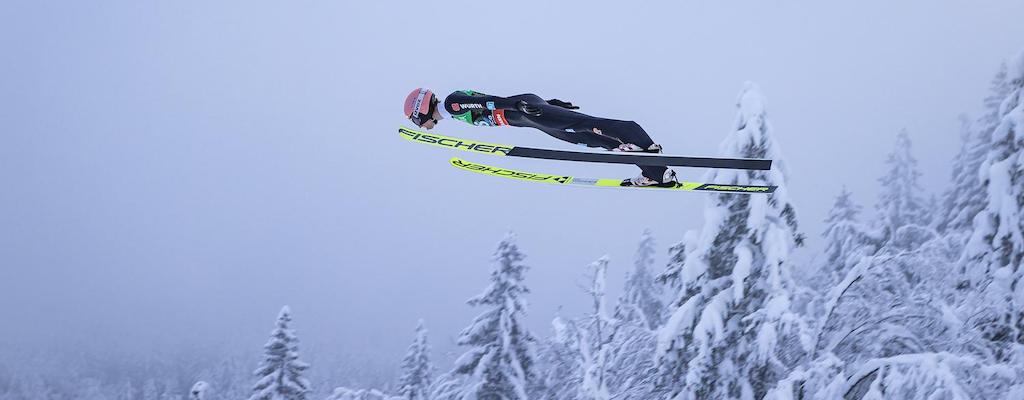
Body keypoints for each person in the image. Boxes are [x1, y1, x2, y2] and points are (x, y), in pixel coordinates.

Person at [403, 88, 678, 187]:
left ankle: (642, 142)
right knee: (587, 138)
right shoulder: (451, 111)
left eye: (416, 121)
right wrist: (547, 105)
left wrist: (521, 106)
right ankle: (657, 173)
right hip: (526, 117)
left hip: (522, 112)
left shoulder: (451, 105)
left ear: (421, 110)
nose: (421, 126)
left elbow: (489, 102)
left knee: (585, 125)